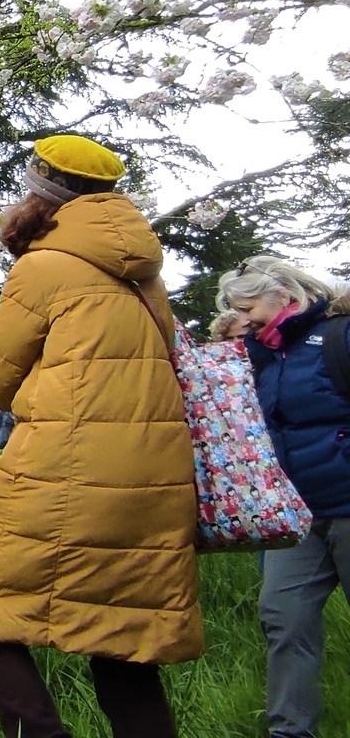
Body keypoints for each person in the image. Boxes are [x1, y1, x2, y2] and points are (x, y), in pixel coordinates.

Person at [0, 135, 203, 738]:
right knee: (122, 635)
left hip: (64, 471)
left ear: (43, 196)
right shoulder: (147, 278)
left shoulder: (42, 267)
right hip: (155, 479)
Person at [216, 256, 350, 738]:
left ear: (283, 295)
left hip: (347, 504)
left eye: (247, 307)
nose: (244, 319)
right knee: (283, 619)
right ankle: (290, 730)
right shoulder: (261, 355)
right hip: (296, 516)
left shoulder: (338, 336)